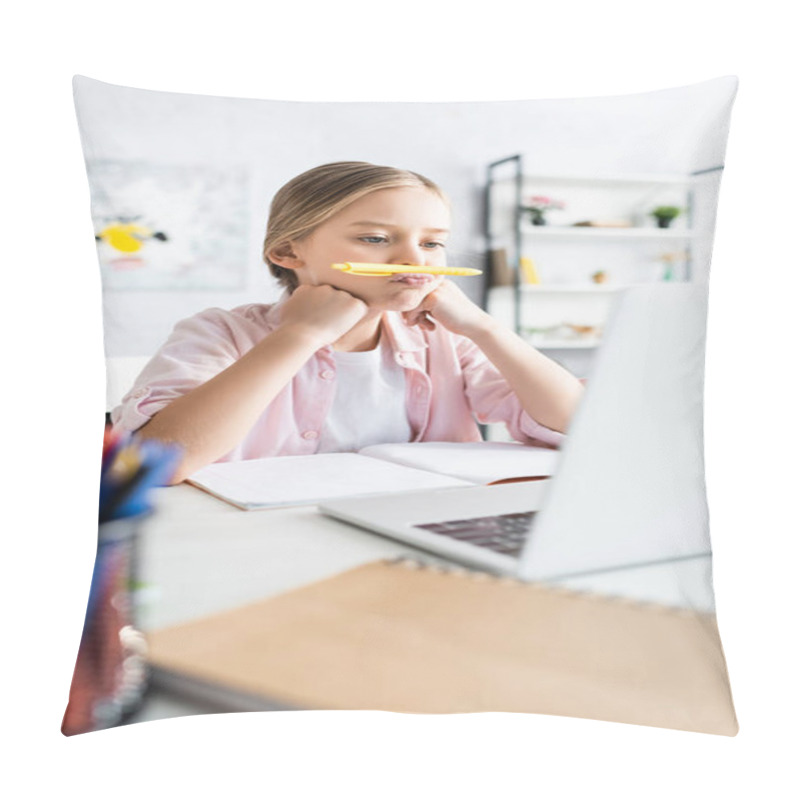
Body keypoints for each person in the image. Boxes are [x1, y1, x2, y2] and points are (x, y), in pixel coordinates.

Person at [113, 161, 584, 483]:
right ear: (287, 251)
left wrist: (486, 329)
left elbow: (579, 427)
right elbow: (157, 463)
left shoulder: (447, 339)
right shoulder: (218, 333)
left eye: (433, 243)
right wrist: (302, 335)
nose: (412, 259)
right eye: (377, 238)